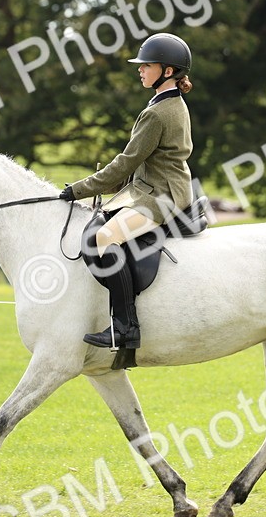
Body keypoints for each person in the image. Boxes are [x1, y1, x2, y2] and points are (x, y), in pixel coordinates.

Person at [60, 33, 195, 351]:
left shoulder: (158, 113)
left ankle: (125, 328)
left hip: (162, 197)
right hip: (153, 188)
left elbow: (124, 164)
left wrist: (78, 190)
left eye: (146, 65)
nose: (140, 69)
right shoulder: (167, 103)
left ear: (167, 71)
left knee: (104, 238)